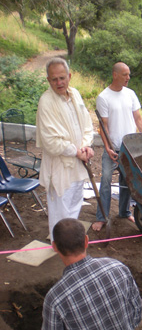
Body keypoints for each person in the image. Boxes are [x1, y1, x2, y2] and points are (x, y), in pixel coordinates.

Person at [42, 218, 142, 330]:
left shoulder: (56, 298)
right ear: (87, 241)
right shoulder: (117, 267)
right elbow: (136, 307)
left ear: (54, 247)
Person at [36, 57, 94, 241]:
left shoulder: (75, 94)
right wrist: (76, 152)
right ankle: (59, 242)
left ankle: (69, 241)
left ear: (69, 76)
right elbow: (50, 141)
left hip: (78, 163)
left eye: (62, 78)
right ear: (48, 80)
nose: (59, 82)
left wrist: (85, 147)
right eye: (54, 79)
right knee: (60, 207)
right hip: (60, 166)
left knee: (75, 202)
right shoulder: (46, 102)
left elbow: (86, 124)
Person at [92, 62, 142, 232]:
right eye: (125, 74)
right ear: (115, 75)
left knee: (128, 182)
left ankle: (124, 212)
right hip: (113, 148)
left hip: (129, 148)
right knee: (107, 180)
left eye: (129, 74)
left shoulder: (130, 94)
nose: (128, 78)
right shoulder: (104, 97)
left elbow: (138, 119)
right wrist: (108, 147)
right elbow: (104, 125)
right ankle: (102, 217)